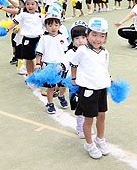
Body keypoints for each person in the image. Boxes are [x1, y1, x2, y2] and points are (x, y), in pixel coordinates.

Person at [70, 17, 111, 159]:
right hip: (87, 90)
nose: (97, 39)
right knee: (89, 119)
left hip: (101, 89)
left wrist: (108, 77)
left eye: (102, 36)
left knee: (102, 116)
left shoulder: (105, 52)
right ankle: (89, 144)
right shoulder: (82, 50)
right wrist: (74, 79)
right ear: (87, 34)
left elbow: (103, 68)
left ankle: (100, 139)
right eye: (94, 34)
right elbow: (73, 64)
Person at [35, 9, 70, 114]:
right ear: (45, 26)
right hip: (48, 67)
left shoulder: (62, 37)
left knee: (63, 85)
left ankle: (61, 96)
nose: (53, 27)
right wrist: (38, 63)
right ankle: (50, 103)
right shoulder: (44, 38)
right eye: (50, 25)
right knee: (51, 87)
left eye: (56, 24)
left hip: (62, 66)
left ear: (59, 25)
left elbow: (67, 52)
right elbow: (39, 52)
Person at [61, 20, 88, 138]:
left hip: (88, 83)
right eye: (77, 38)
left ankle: (86, 126)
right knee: (79, 108)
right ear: (72, 40)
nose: (80, 40)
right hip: (75, 84)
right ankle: (80, 128)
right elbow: (63, 64)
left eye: (83, 37)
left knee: (89, 107)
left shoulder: (90, 51)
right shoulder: (70, 53)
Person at [6, 0, 43, 76]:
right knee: (29, 59)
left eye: (33, 4)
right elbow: (15, 22)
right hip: (27, 40)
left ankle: (39, 74)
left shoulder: (40, 15)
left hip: (39, 40)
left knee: (40, 59)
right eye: (28, 4)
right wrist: (7, 28)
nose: (30, 6)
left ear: (37, 5)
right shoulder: (22, 15)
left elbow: (47, 23)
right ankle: (30, 75)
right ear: (25, 5)